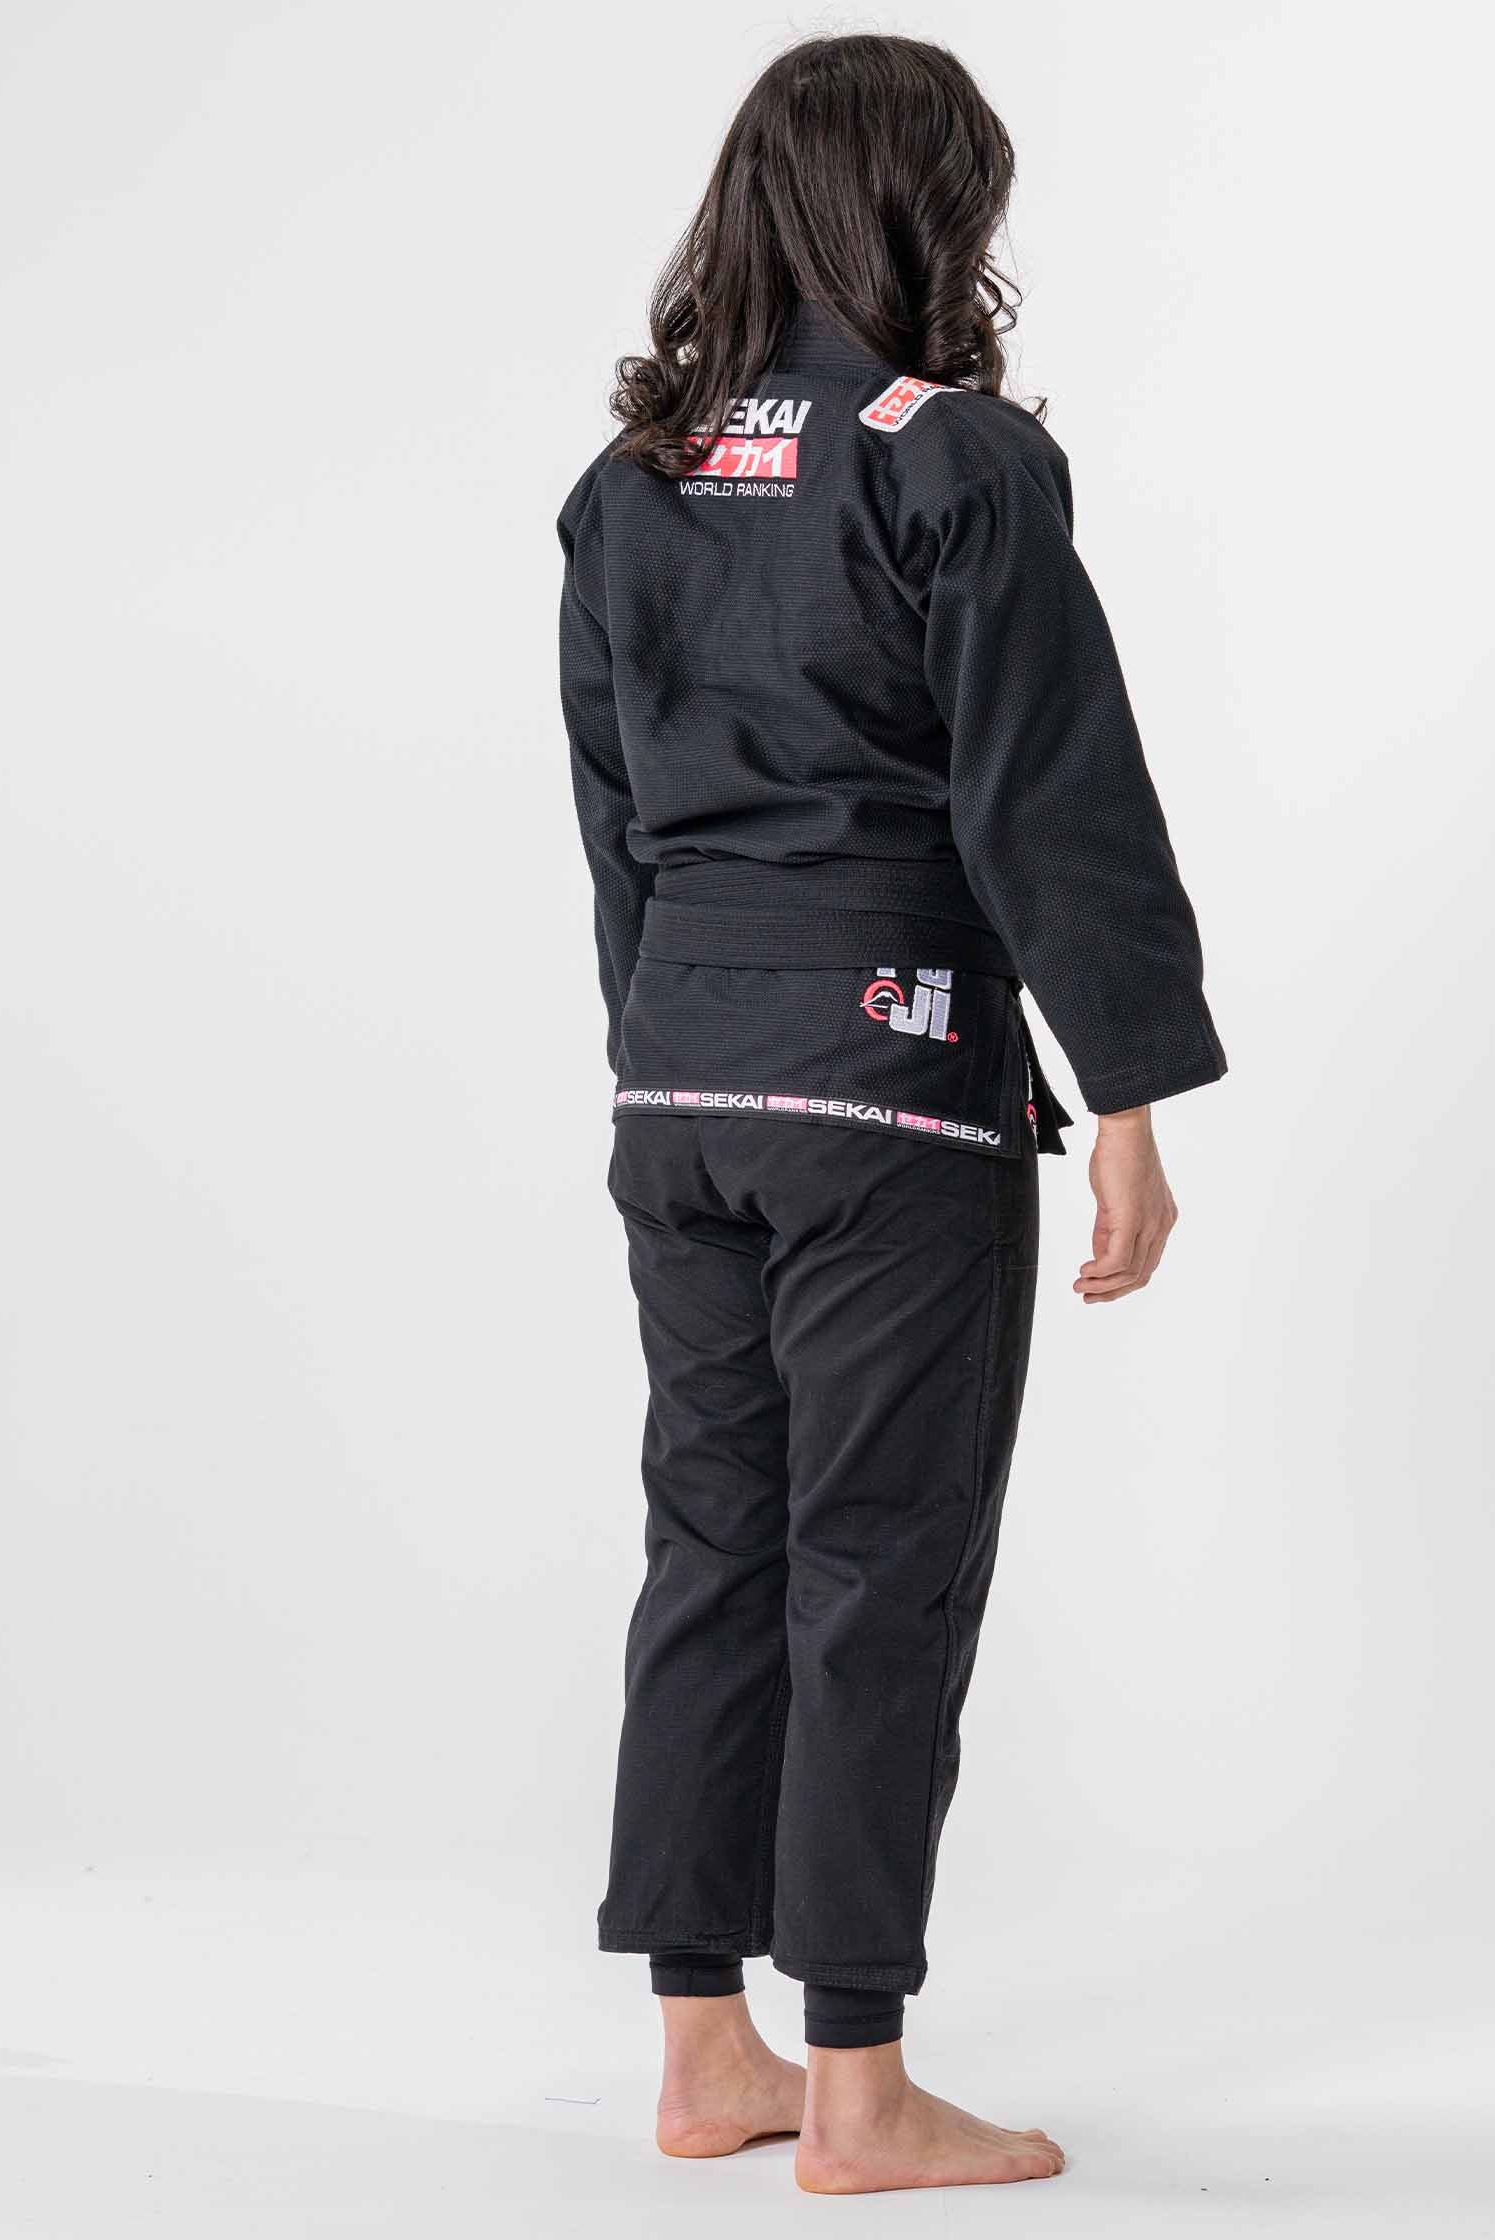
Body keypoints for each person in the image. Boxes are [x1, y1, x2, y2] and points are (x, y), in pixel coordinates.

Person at [557, 34, 1226, 2196]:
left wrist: (668, 1041)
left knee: (712, 1549)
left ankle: (705, 2059)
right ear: (937, 213)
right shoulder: (953, 459)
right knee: (876, 1571)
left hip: (683, 1076)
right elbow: (1051, 789)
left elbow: (615, 815)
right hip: (886, 1086)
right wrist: (1129, 1092)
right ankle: (858, 2091)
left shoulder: (631, 480)